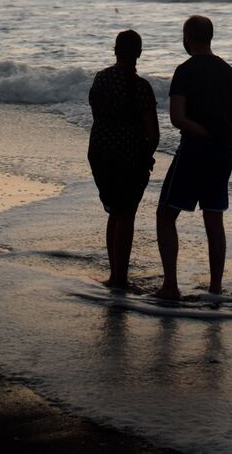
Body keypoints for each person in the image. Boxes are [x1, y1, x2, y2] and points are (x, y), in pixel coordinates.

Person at [153, 15, 232, 300]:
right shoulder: (229, 73)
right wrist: (219, 139)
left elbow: (177, 117)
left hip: (193, 151)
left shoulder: (185, 71)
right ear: (210, 37)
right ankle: (216, 287)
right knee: (214, 219)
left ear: (188, 37)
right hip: (221, 152)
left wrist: (201, 132)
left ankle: (170, 285)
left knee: (166, 214)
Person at [88, 29, 159, 289]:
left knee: (114, 211)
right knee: (126, 214)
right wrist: (145, 157)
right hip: (129, 157)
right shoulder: (140, 87)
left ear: (115, 50)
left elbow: (97, 113)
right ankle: (120, 278)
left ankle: (114, 272)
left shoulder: (101, 79)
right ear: (139, 53)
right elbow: (153, 134)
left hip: (100, 152)